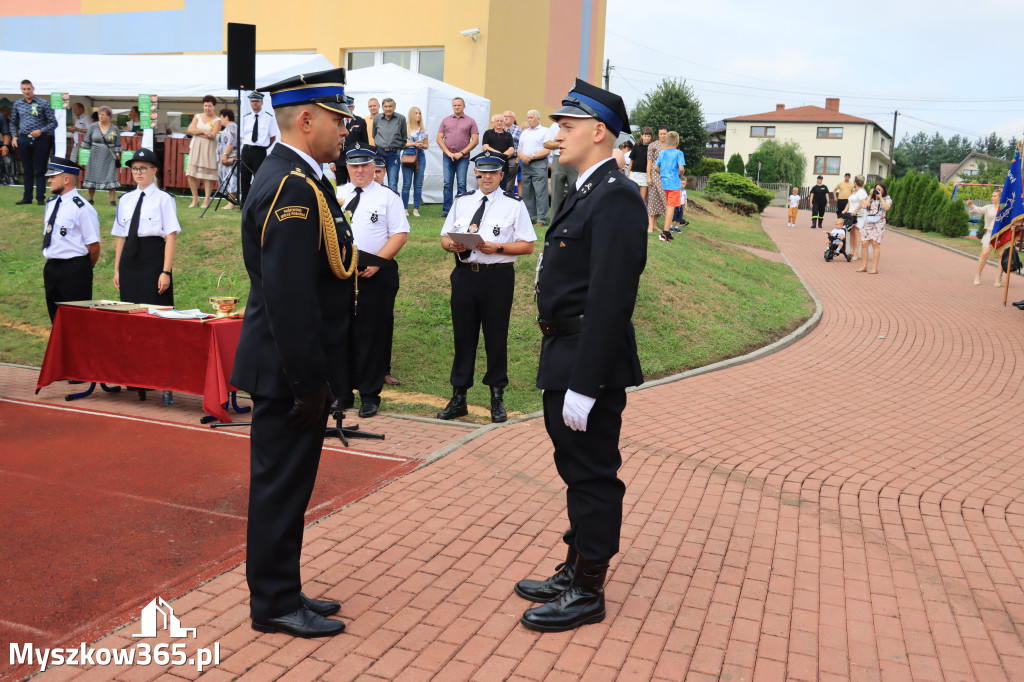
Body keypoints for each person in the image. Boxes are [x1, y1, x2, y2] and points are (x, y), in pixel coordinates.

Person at [515, 78, 646, 633]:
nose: (555, 134)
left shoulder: (615, 196)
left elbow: (611, 299)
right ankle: (574, 567)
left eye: (566, 127)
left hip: (586, 356)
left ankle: (588, 587)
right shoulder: (585, 188)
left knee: (593, 474)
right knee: (575, 468)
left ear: (599, 132)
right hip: (563, 348)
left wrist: (585, 384)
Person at [230, 67, 356, 639]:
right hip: (288, 370)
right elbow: (289, 297)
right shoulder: (291, 187)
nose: (344, 129)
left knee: (290, 484)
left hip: (293, 367)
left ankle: (283, 585)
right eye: (337, 119)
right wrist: (310, 381)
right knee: (281, 486)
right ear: (306, 120)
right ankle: (274, 602)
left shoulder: (301, 177)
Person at [436, 150, 536, 423]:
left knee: (496, 337)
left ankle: (496, 397)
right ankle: (459, 397)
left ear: (502, 175)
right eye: (483, 172)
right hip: (465, 275)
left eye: (494, 172)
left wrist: (499, 247)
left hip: (497, 277)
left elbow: (527, 245)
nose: (488, 177)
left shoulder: (514, 204)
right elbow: (444, 237)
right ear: (476, 173)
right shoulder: (462, 201)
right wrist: (452, 245)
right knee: (463, 337)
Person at [336, 143, 410, 417]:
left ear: (374, 167)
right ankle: (341, 393)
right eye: (354, 165)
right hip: (341, 275)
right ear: (347, 167)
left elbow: (400, 234)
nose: (359, 170)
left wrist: (378, 264)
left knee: (370, 334)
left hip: (375, 274)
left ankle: (369, 394)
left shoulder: (387, 197)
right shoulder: (336, 194)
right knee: (340, 333)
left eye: (364, 165)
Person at [112, 148, 179, 305]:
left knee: (155, 308)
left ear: (154, 170)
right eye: (135, 168)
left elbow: (171, 236)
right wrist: (117, 270)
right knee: (130, 311)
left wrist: (165, 272)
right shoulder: (125, 200)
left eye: (143, 168)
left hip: (152, 259)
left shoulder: (164, 199)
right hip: (129, 261)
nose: (138, 172)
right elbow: (121, 237)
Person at [41, 157, 100, 322]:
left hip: (74, 269)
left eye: (53, 176)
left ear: (66, 180)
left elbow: (94, 245)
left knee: (76, 321)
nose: (49, 179)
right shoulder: (51, 203)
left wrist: (82, 268)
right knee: (56, 318)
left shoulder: (82, 208)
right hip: (52, 267)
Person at [11, 79, 58, 206]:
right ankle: (27, 197)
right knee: (27, 169)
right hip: (24, 139)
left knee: (40, 169)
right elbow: (13, 122)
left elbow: (54, 122)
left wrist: (41, 131)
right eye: (24, 89)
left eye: (29, 89)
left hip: (41, 139)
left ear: (33, 89)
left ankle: (40, 198)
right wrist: (14, 136)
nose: (27, 91)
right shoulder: (17, 104)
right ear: (21, 90)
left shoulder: (43, 103)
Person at [436, 97, 479, 216]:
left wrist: (461, 153)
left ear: (464, 106)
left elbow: (475, 140)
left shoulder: (470, 121)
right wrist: (449, 153)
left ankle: (461, 210)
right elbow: (439, 138)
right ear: (452, 106)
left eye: (459, 105)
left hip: (463, 158)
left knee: (461, 184)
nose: (457, 107)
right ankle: (447, 210)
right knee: (447, 184)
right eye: (455, 105)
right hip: (447, 156)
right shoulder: (445, 120)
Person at [239, 91, 279, 206]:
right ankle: (245, 203)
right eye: (252, 101)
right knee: (245, 178)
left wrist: (264, 148)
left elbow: (272, 137)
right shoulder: (246, 118)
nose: (254, 103)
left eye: (256, 101)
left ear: (261, 102)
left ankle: (258, 203)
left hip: (259, 151)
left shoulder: (268, 118)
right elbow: (242, 136)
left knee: (259, 178)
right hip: (246, 150)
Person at [80, 107, 122, 206]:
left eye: (103, 115)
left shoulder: (114, 128)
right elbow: (87, 141)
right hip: (95, 154)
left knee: (111, 176)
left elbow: (117, 143)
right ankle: (90, 199)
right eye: (99, 114)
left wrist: (117, 154)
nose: (101, 116)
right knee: (92, 174)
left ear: (109, 116)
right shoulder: (93, 126)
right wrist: (84, 149)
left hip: (109, 155)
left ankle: (112, 200)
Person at [516, 110, 552, 225]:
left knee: (540, 192)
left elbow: (547, 150)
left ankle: (542, 219)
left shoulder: (545, 131)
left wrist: (531, 156)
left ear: (538, 118)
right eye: (528, 117)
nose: (529, 120)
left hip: (539, 163)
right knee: (527, 192)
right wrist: (523, 157)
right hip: (526, 164)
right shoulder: (525, 132)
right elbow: (519, 149)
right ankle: (530, 217)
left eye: (531, 117)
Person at [186, 95, 222, 209]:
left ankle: (206, 200)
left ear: (214, 106)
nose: (207, 108)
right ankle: (195, 199)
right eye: (206, 106)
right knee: (191, 174)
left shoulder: (218, 120)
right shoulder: (197, 117)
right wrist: (204, 131)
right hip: (196, 147)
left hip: (209, 148)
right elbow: (190, 130)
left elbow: (213, 135)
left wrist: (201, 133)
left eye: (210, 106)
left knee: (208, 176)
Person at [653, 131, 686, 242]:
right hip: (674, 183)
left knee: (669, 206)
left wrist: (664, 174)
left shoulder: (662, 153)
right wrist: (678, 176)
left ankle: (667, 231)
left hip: (665, 183)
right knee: (671, 207)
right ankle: (666, 232)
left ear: (667, 141)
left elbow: (656, 168)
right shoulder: (679, 153)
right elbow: (681, 169)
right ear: (677, 142)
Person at [968, 190, 1004, 285]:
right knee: (984, 254)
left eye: (995, 196)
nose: (992, 197)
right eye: (992, 196)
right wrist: (971, 205)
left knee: (1001, 256)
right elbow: (978, 209)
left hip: (1001, 234)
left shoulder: (1005, 208)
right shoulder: (988, 207)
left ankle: (998, 278)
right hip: (989, 233)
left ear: (1000, 198)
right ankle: (978, 275)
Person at [853, 183, 891, 274]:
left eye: (880, 189)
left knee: (875, 244)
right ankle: (864, 266)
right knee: (864, 243)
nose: (877, 191)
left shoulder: (887, 198)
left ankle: (874, 268)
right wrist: (870, 195)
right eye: (876, 189)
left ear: (883, 190)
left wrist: (881, 197)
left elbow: (887, 208)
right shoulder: (869, 198)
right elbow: (864, 206)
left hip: (879, 223)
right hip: (868, 222)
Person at [372, 98, 407, 192]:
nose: (388, 109)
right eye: (386, 106)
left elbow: (404, 137)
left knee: (392, 182)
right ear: (382, 107)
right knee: (377, 181)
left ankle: (392, 205)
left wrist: (397, 147)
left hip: (394, 154)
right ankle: (378, 204)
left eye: (390, 106)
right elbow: (374, 135)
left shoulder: (401, 118)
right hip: (379, 154)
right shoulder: (377, 118)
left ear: (394, 107)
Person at [546, 119, 580, 216]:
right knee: (556, 194)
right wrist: (564, 144)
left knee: (576, 192)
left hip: (574, 158)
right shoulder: (554, 126)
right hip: (558, 158)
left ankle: (575, 220)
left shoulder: (577, 124)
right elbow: (547, 143)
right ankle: (554, 223)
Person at [401, 106, 428, 217]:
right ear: (412, 114)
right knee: (406, 184)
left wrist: (421, 145)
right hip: (408, 155)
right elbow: (401, 144)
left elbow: (427, 146)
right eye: (416, 113)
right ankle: (405, 208)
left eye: (420, 113)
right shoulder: (405, 128)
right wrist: (413, 144)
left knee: (418, 185)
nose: (418, 115)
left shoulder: (423, 129)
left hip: (420, 156)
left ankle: (416, 209)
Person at [646, 125, 667, 233]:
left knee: (662, 200)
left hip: (666, 176)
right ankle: (650, 225)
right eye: (661, 134)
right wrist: (648, 176)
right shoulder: (653, 146)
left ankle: (655, 224)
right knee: (653, 199)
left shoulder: (670, 146)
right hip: (654, 175)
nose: (663, 136)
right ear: (658, 134)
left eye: (664, 133)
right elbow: (649, 162)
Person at [217, 109, 239, 210]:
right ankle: (230, 202)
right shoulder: (228, 128)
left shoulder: (232, 126)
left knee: (231, 178)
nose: (220, 120)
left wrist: (225, 154)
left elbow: (232, 140)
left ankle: (231, 203)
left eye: (221, 117)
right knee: (228, 178)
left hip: (230, 157)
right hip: (225, 158)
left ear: (226, 117)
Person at [846, 175, 868, 260]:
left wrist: (856, 211)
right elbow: (850, 201)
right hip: (852, 214)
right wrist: (846, 209)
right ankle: (851, 251)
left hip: (858, 215)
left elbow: (863, 202)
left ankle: (856, 252)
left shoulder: (862, 191)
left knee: (856, 231)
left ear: (855, 183)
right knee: (851, 231)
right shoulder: (855, 191)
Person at [629, 127, 652, 203]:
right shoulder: (636, 146)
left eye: (649, 136)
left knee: (643, 197)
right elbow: (631, 161)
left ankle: (641, 214)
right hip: (634, 173)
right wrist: (628, 174)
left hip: (645, 175)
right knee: (632, 195)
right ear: (642, 136)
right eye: (645, 135)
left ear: (651, 137)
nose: (647, 138)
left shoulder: (651, 147)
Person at [502, 110, 522, 193]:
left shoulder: (519, 130)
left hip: (512, 159)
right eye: (504, 116)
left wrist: (517, 161)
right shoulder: (499, 128)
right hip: (500, 158)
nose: (505, 118)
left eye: (507, 116)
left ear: (513, 118)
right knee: (499, 178)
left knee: (510, 181)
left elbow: (522, 146)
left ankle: (508, 197)